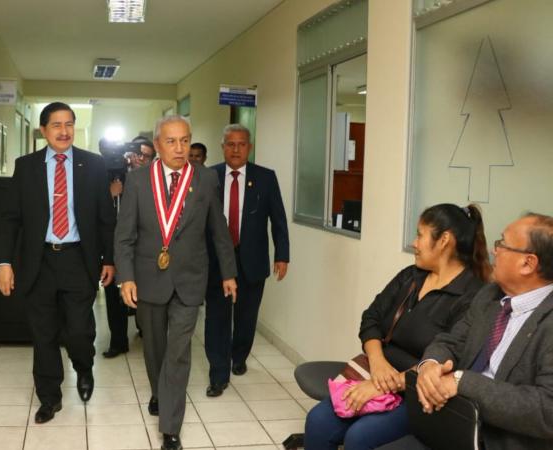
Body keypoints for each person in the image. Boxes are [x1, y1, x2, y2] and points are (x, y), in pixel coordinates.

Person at [304, 203, 491, 450]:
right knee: (317, 421)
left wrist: (383, 385)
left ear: (444, 240)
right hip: (376, 372)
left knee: (360, 437)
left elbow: (450, 361)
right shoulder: (411, 276)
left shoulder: (472, 296)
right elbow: (371, 318)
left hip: (416, 393)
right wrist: (377, 362)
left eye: (420, 235)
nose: (414, 243)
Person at [114, 116, 237, 450]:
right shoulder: (138, 180)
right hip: (148, 278)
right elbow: (124, 236)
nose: (180, 148)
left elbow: (219, 229)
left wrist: (228, 273)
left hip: (190, 279)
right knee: (155, 348)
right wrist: (126, 278)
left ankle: (170, 427)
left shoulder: (205, 178)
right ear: (157, 145)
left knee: (179, 351)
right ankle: (159, 391)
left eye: (185, 140)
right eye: (171, 141)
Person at [0, 102, 116, 424]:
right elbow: (10, 219)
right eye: (56, 125)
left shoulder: (94, 165)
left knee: (79, 330)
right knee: (44, 333)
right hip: (39, 260)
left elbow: (106, 218)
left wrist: (110, 259)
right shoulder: (26, 167)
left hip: (78, 258)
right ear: (44, 130)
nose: (64, 131)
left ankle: (84, 366)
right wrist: (4, 263)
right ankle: (49, 397)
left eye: (69, 124)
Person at [406, 213, 553, 450]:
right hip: (450, 419)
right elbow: (451, 340)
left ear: (528, 263)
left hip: (499, 439)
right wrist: (430, 365)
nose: (495, 250)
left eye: (502, 244)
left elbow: (547, 410)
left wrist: (462, 382)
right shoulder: (489, 295)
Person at [204, 124, 290, 396]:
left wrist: (282, 255)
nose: (236, 149)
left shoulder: (265, 178)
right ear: (223, 147)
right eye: (230, 144)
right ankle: (218, 374)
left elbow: (278, 219)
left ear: (249, 148)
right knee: (216, 318)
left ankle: (239, 356)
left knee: (246, 317)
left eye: (241, 144)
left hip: (252, 260)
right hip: (217, 262)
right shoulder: (208, 176)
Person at [103, 136, 156, 358]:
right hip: (116, 245)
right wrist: (110, 193)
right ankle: (118, 341)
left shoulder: (157, 179)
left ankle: (145, 329)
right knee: (113, 293)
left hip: (147, 248)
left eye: (146, 156)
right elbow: (94, 208)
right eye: (137, 153)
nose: (140, 159)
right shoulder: (114, 176)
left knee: (145, 294)